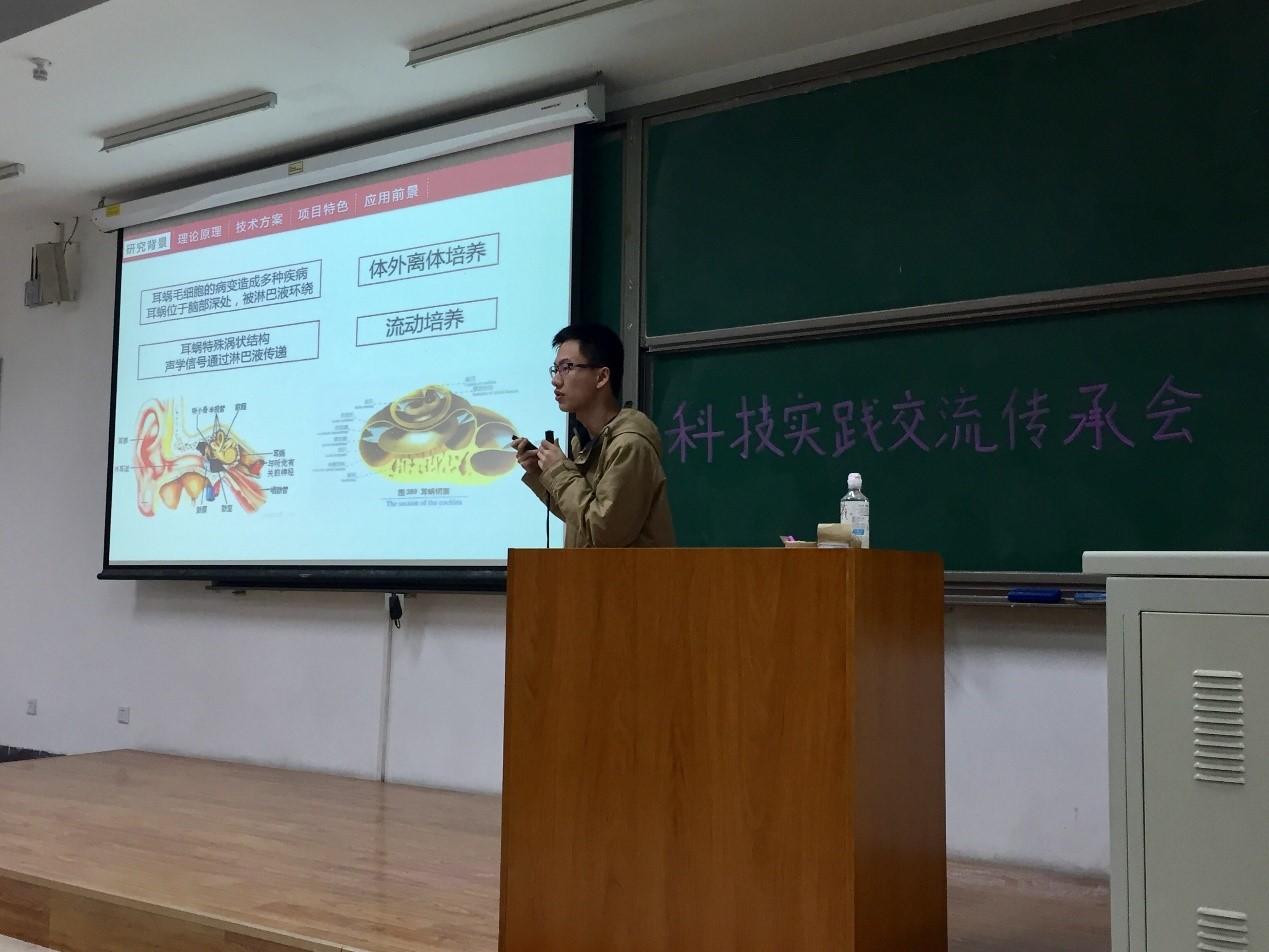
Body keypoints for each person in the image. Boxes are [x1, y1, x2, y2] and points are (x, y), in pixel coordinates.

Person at [513, 323, 674, 548]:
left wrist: (558, 472)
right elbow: (582, 519)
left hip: (628, 572)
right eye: (555, 369)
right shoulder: (586, 442)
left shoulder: (629, 444)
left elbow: (605, 531)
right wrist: (541, 474)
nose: (556, 380)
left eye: (567, 368)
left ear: (602, 377)